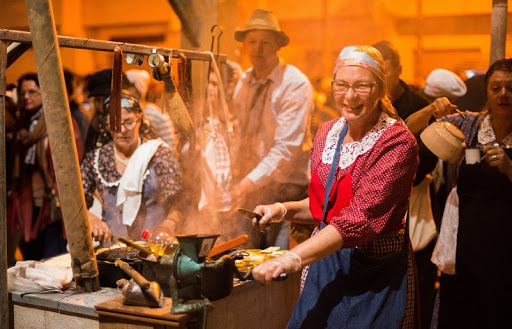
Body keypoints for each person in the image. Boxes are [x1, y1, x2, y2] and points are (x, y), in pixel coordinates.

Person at [251, 46, 419, 328]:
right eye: (342, 85)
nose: (349, 96)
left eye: (361, 86)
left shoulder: (397, 144)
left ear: (380, 88)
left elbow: (358, 218)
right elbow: (325, 205)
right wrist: (282, 209)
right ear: (332, 86)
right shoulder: (328, 132)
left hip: (377, 271)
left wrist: (293, 258)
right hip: (327, 264)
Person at [425, 58, 512, 329]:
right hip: (465, 241)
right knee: (461, 311)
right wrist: (431, 108)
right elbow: (407, 128)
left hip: (506, 247)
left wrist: (510, 168)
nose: (503, 94)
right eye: (495, 87)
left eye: (510, 87)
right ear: (486, 91)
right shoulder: (469, 125)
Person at [371, 40, 443, 329]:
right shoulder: (368, 105)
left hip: (413, 206)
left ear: (398, 69)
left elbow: (426, 160)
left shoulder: (421, 106)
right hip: (374, 211)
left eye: (383, 68)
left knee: (415, 284)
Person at [231, 8, 314, 249]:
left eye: (265, 43)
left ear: (278, 45)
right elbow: (238, 132)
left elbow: (286, 150)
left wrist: (245, 183)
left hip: (288, 191)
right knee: (249, 257)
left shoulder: (294, 83)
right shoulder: (244, 82)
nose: (257, 49)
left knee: (282, 261)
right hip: (253, 185)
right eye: (252, 42)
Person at [80, 93, 183, 242]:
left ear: (140, 119)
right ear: (107, 125)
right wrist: (91, 218)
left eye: (128, 122)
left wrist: (168, 224)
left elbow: (179, 201)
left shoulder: (158, 154)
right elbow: (76, 201)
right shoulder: (96, 160)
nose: (122, 130)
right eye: (115, 124)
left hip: (155, 247)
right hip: (113, 250)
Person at [8, 72, 84, 261]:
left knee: (53, 259)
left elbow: (75, 160)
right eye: (23, 92)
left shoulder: (60, 121)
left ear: (44, 92)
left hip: (53, 203)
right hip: (28, 202)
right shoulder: (22, 123)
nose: (27, 97)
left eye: (32, 92)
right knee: (31, 257)